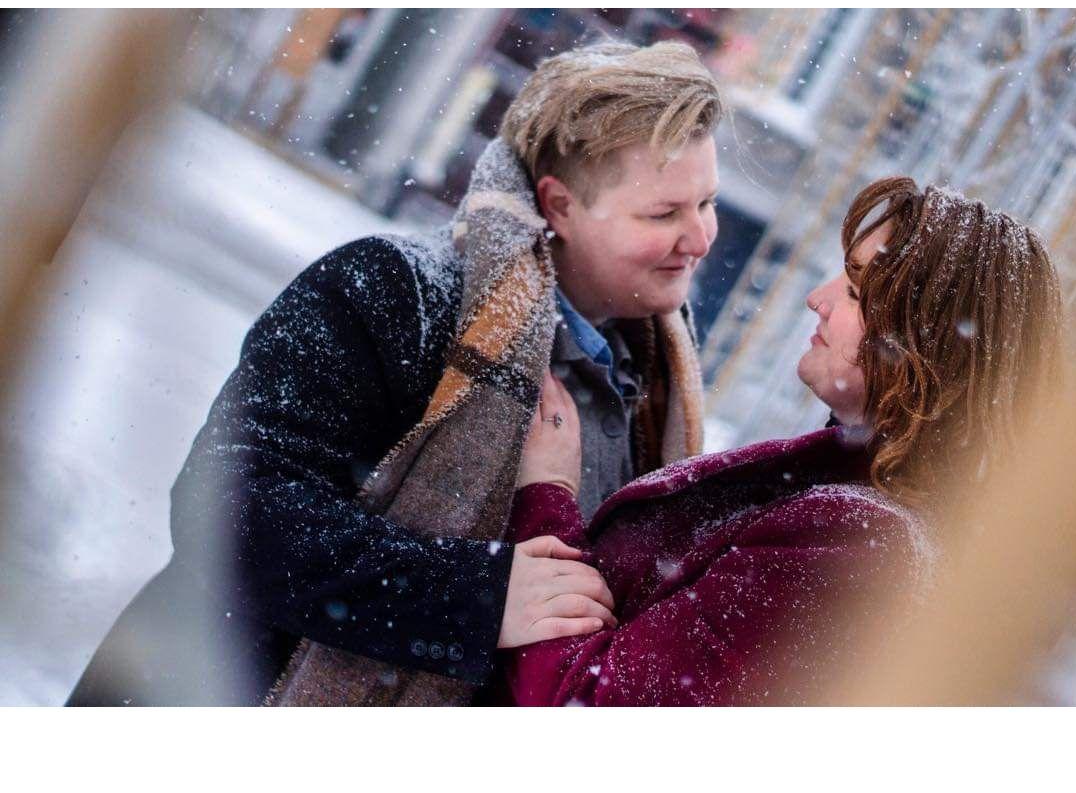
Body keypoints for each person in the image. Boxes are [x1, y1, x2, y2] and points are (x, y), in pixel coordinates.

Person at [67, 39, 723, 706]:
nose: (700, 238)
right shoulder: (391, 293)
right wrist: (476, 597)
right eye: (664, 213)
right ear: (558, 205)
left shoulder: (654, 393)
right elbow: (229, 511)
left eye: (706, 203)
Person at [505, 176, 1064, 705]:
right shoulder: (883, 514)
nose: (817, 299)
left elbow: (589, 705)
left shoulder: (854, 545)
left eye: (853, 289)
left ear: (923, 341)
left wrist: (547, 496)